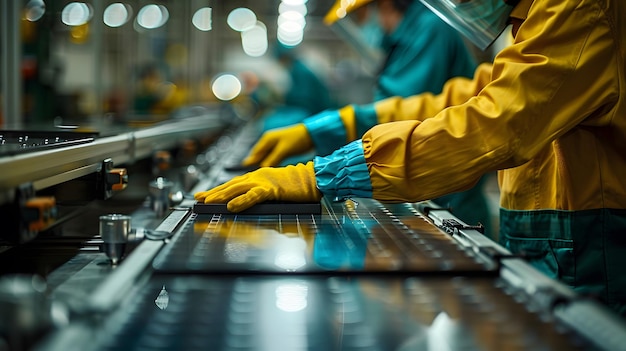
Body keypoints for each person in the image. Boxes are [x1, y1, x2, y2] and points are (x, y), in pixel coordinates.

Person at [195, 0, 626, 315]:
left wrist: (327, 173)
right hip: (547, 239)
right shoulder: (531, 22)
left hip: (593, 247)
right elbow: (466, 98)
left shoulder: (581, 7)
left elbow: (494, 125)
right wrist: (339, 123)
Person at [241, 0, 494, 238]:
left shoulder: (429, 31)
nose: (363, 26)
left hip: (447, 195)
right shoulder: (401, 40)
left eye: (360, 15)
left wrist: (325, 170)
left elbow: (404, 125)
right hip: (418, 186)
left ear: (383, 4)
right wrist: (336, 127)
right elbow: (413, 108)